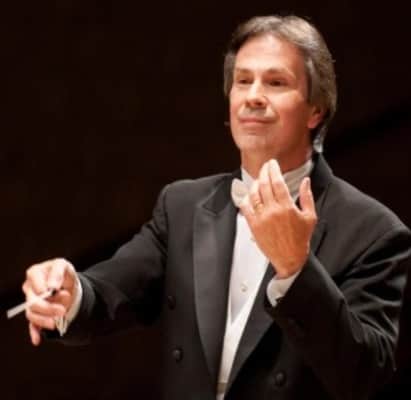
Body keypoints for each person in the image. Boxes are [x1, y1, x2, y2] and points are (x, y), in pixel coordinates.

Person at [22, 15, 411, 400]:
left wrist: (296, 269)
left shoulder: (374, 232)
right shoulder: (182, 205)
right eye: (243, 81)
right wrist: (69, 293)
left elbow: (365, 376)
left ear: (316, 110)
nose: (253, 96)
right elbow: (113, 290)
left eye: (275, 82)